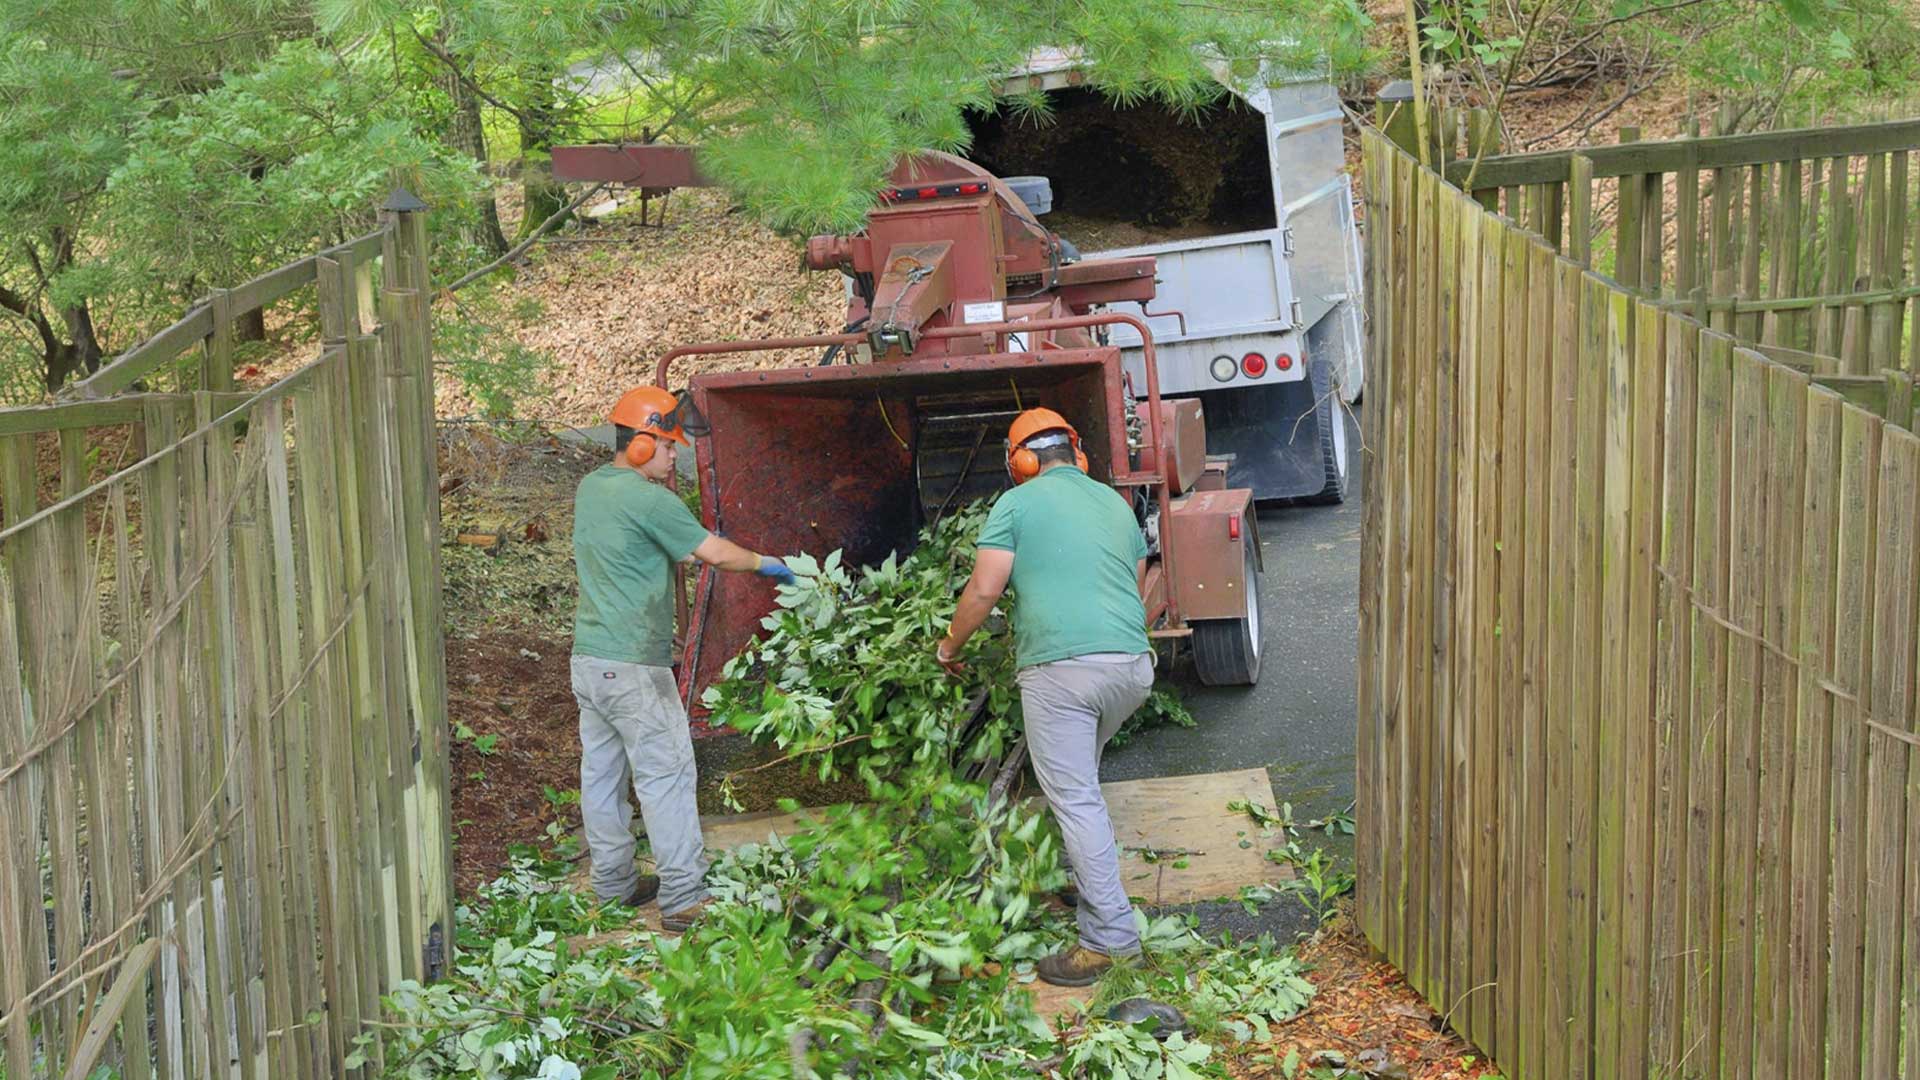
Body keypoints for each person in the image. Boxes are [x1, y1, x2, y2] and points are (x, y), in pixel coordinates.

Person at [936, 407, 1155, 986]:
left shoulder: (1015, 504)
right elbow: (1130, 582)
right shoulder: (1114, 502)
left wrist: (949, 647)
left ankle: (1109, 941)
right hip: (1131, 667)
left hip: (1063, 673)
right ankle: (1086, 884)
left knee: (1077, 799)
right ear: (1076, 453)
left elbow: (984, 589)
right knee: (1081, 783)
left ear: (1021, 463)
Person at [572, 385, 799, 932]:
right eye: (670, 447)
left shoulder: (592, 488)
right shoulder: (649, 499)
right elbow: (714, 552)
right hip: (635, 667)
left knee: (602, 776)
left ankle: (614, 886)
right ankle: (682, 896)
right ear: (643, 446)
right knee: (667, 773)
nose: (676, 458)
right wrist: (772, 564)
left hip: (589, 661)